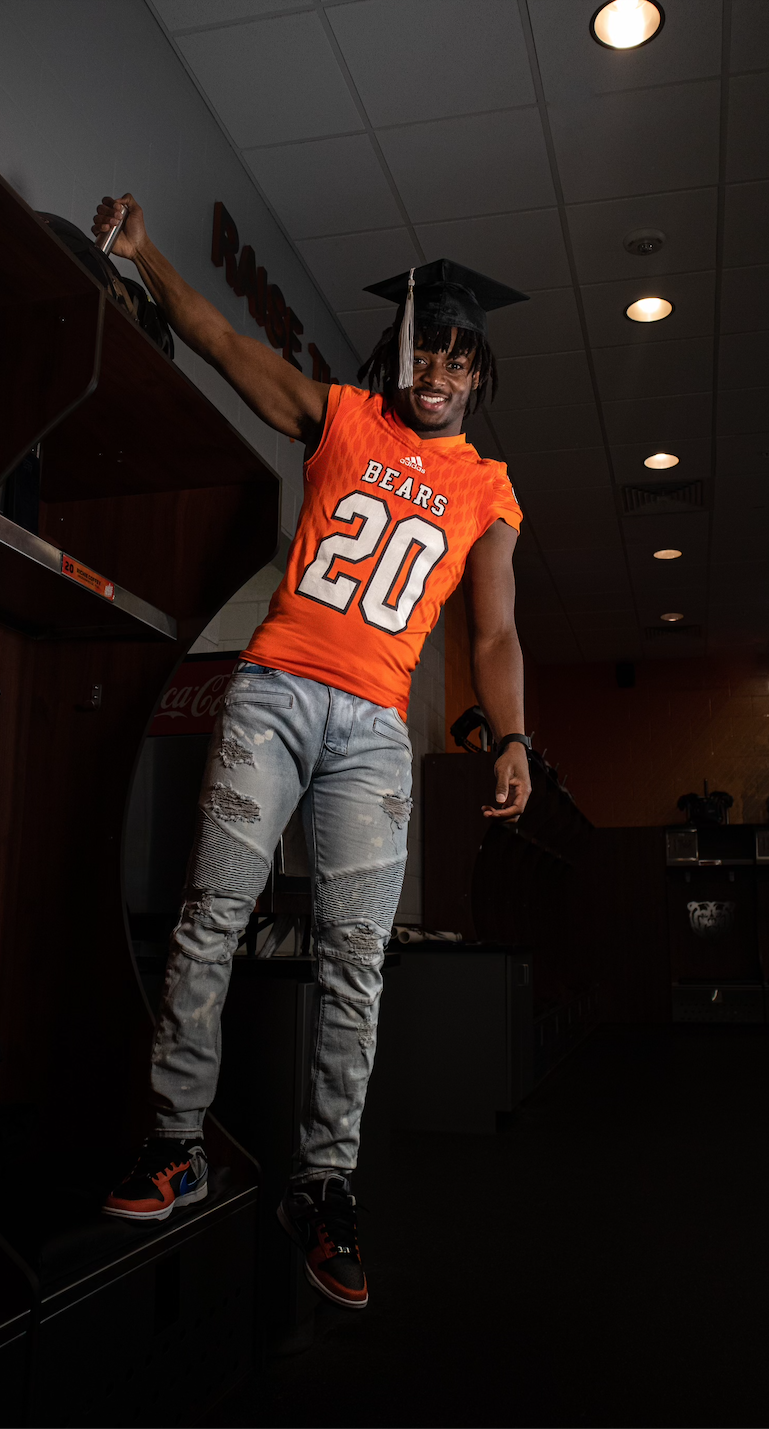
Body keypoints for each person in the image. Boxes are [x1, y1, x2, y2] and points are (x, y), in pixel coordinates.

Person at [96, 195, 532, 1311]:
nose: (432, 367)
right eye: (419, 347)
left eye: (453, 356)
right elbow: (227, 343)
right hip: (276, 695)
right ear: (398, 354)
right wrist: (146, 258)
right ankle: (175, 1142)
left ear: (477, 375)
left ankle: (323, 1183)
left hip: (376, 732)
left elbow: (490, 631)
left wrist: (513, 737)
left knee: (355, 961)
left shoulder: (486, 490)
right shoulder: (342, 415)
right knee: (211, 917)